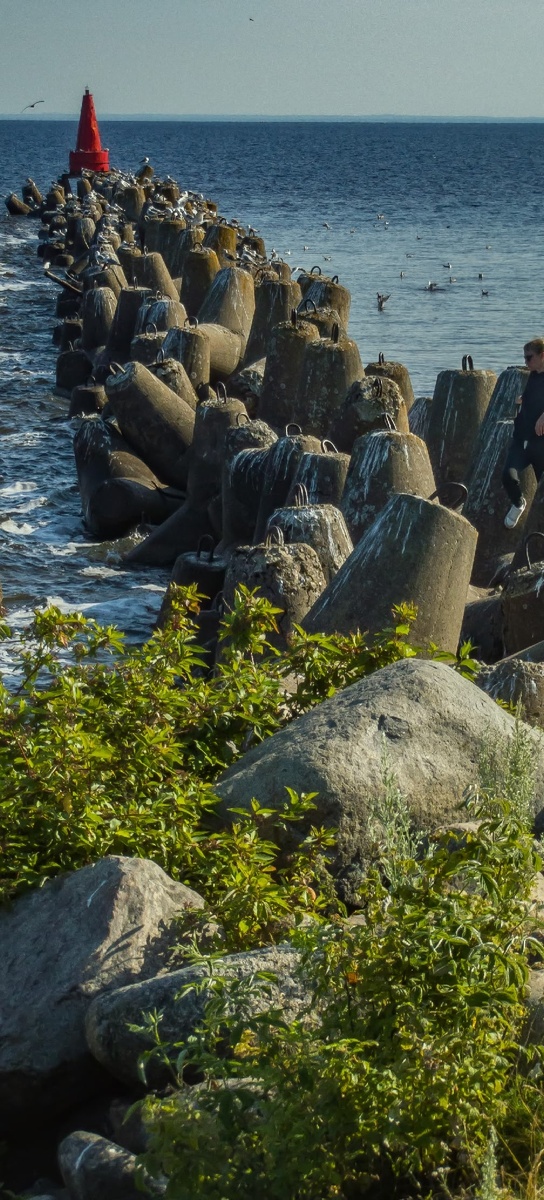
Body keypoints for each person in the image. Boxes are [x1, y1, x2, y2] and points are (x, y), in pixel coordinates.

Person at [502, 337, 544, 528]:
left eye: (529, 358)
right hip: (522, 439)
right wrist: (522, 402)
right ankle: (518, 503)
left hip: (540, 443)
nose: (525, 362)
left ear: (542, 356)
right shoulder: (534, 375)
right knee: (508, 476)